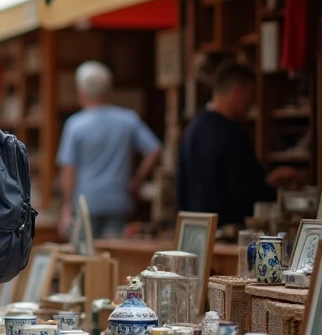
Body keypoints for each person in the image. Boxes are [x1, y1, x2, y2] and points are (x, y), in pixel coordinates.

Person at [177, 61, 302, 226]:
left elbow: (181, 188)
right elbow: (247, 192)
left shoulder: (192, 129)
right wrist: (275, 191)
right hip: (228, 231)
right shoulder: (232, 134)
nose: (249, 106)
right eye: (249, 98)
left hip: (197, 231)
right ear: (237, 92)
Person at [56, 61, 161, 240]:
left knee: (85, 260)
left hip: (85, 203)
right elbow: (155, 149)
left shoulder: (76, 125)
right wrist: (136, 180)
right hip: (118, 200)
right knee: (112, 257)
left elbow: (69, 169)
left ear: (82, 92)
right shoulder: (128, 119)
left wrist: (66, 206)